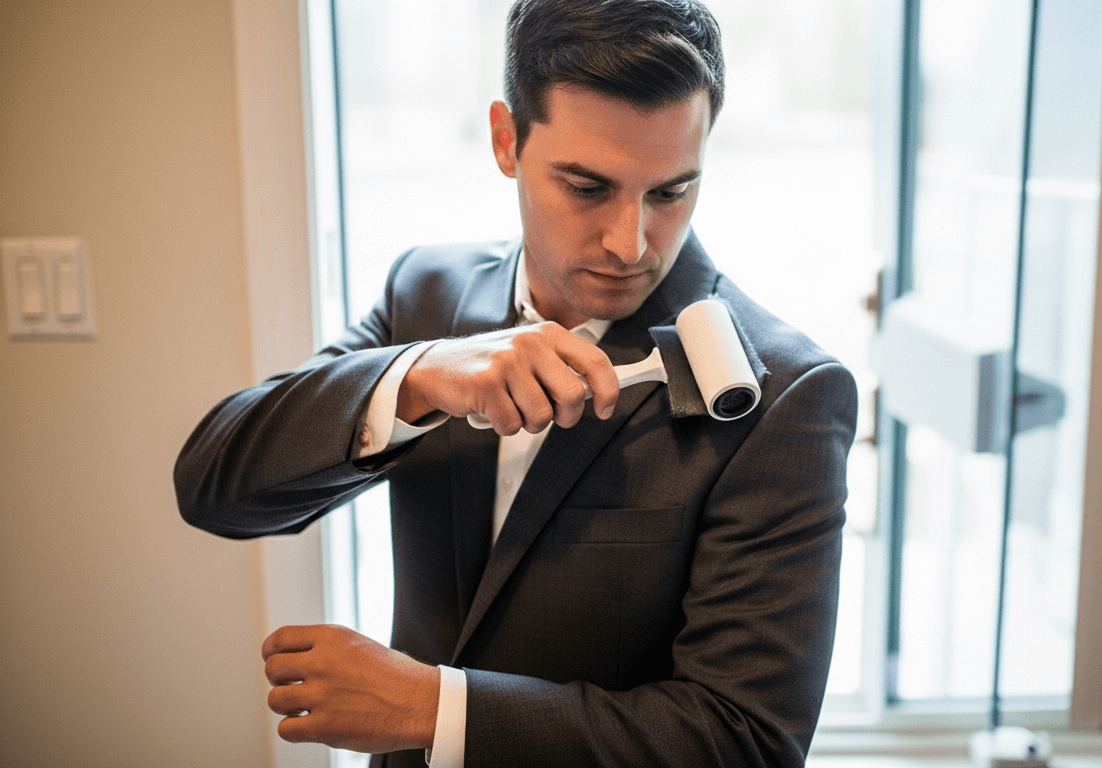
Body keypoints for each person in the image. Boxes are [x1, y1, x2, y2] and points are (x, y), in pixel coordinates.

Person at [175, 0, 858, 765]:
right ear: (506, 139)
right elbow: (211, 486)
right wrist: (418, 378)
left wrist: (434, 712)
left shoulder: (786, 395)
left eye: (670, 192)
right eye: (588, 186)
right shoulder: (426, 293)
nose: (631, 244)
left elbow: (745, 744)